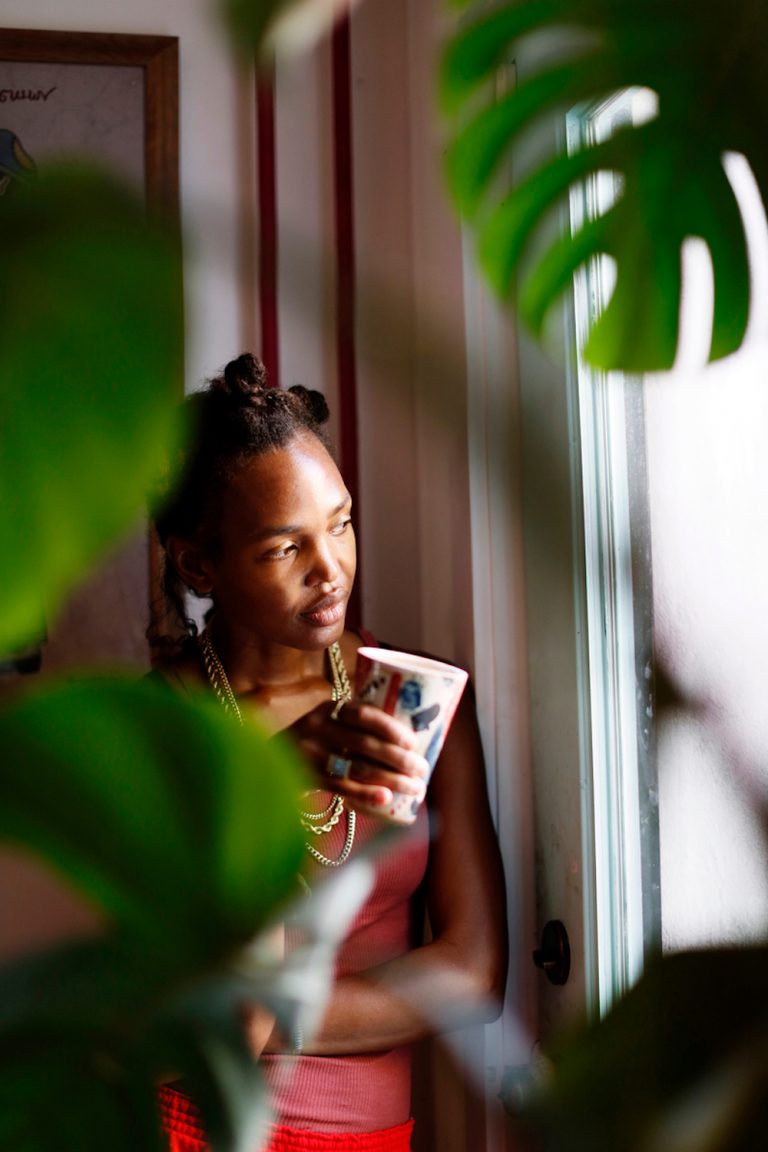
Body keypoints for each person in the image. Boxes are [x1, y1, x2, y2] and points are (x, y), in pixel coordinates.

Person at [151, 353, 507, 1152]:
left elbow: (473, 973)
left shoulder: (419, 701)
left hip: (371, 1136)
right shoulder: (158, 733)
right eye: (285, 549)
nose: (331, 570)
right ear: (198, 562)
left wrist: (268, 1013)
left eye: (340, 523)